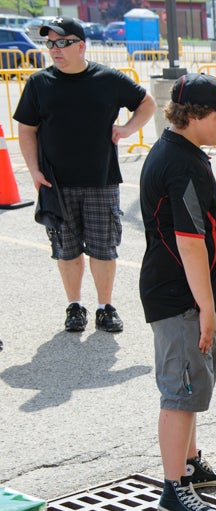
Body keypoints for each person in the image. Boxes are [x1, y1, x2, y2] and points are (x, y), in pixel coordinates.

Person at [139, 74, 216, 511]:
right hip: (179, 296)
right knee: (179, 393)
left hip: (186, 294)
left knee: (192, 386)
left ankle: (191, 464)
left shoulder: (181, 152)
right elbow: (189, 241)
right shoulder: (181, 164)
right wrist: (205, 308)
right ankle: (173, 489)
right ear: (195, 116)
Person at [14, 17, 155, 334]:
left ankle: (105, 307)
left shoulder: (107, 79)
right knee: (67, 250)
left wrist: (127, 128)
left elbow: (146, 103)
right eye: (49, 43)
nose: (54, 50)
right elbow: (27, 129)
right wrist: (34, 170)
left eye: (61, 43)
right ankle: (74, 306)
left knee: (104, 249)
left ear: (81, 45)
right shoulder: (39, 83)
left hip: (101, 179)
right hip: (56, 183)